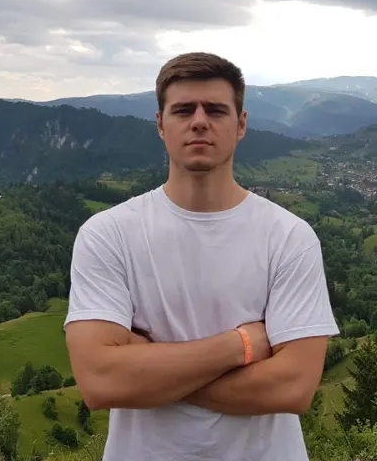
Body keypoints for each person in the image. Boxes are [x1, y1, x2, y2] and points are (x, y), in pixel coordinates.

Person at [64, 52, 340, 460]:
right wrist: (241, 345)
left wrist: (147, 369)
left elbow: (293, 388)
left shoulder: (289, 238)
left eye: (215, 110)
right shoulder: (108, 235)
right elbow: (100, 383)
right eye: (182, 110)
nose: (198, 121)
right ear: (160, 125)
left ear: (241, 124)